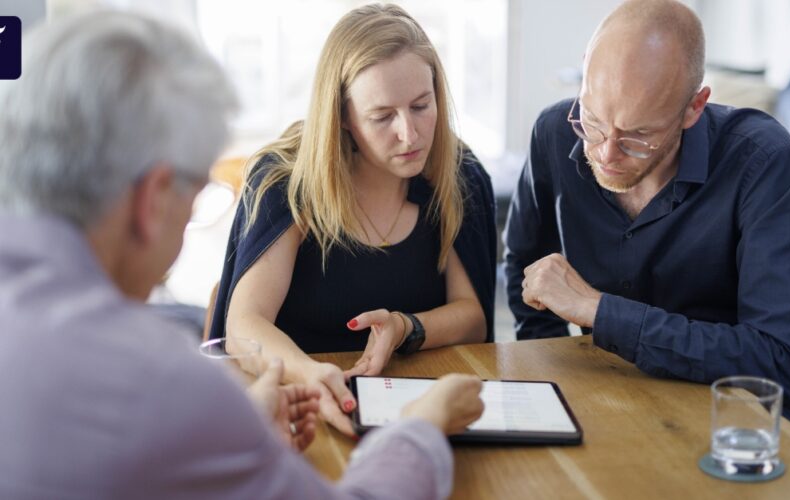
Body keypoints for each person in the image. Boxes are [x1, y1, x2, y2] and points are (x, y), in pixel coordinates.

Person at [0, 10, 484, 499]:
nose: (409, 132)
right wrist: (421, 426)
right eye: (198, 194)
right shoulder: (158, 381)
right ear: (154, 200)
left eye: (422, 105)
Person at [503, 0, 790, 430]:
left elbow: (787, 366)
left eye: (639, 135)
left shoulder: (764, 162)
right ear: (585, 72)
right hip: (603, 407)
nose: (606, 153)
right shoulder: (553, 133)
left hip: (730, 427)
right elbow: (526, 270)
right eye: (593, 121)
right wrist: (552, 378)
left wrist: (601, 312)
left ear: (695, 106)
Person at [208, 3, 497, 435]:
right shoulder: (287, 180)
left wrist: (405, 326)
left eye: (422, 105)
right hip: (295, 407)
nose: (410, 134)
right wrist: (309, 375)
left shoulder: (459, 177)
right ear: (341, 117)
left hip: (419, 404)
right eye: (382, 116)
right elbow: (244, 326)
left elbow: (473, 318)